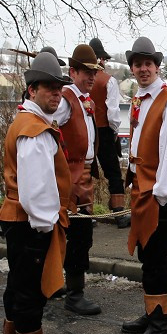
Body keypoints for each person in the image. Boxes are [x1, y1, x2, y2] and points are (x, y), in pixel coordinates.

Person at [0, 51, 79, 334]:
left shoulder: (28, 122)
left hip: (20, 219)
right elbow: (35, 189)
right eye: (48, 87)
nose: (55, 92)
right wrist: (46, 225)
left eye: (59, 87)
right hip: (31, 223)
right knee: (30, 291)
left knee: (18, 286)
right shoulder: (33, 130)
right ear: (32, 90)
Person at [119, 37, 167, 334]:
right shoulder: (140, 99)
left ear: (157, 67)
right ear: (133, 68)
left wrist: (161, 197)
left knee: (157, 261)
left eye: (148, 64)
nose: (143, 68)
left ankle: (160, 328)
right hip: (142, 192)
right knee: (148, 258)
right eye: (138, 64)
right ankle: (152, 313)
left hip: (157, 196)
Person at [56, 44, 106, 316]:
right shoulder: (65, 100)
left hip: (84, 175)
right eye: (87, 72)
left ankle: (58, 286)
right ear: (73, 72)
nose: (92, 77)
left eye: (94, 73)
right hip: (71, 179)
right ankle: (74, 294)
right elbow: (48, 130)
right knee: (77, 236)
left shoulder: (85, 100)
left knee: (77, 235)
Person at [88, 38, 130, 228]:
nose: (103, 61)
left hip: (85, 129)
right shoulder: (108, 81)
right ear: (100, 59)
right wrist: (114, 132)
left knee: (84, 172)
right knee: (113, 172)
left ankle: (84, 212)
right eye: (102, 58)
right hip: (104, 130)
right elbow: (113, 112)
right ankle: (119, 213)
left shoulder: (78, 79)